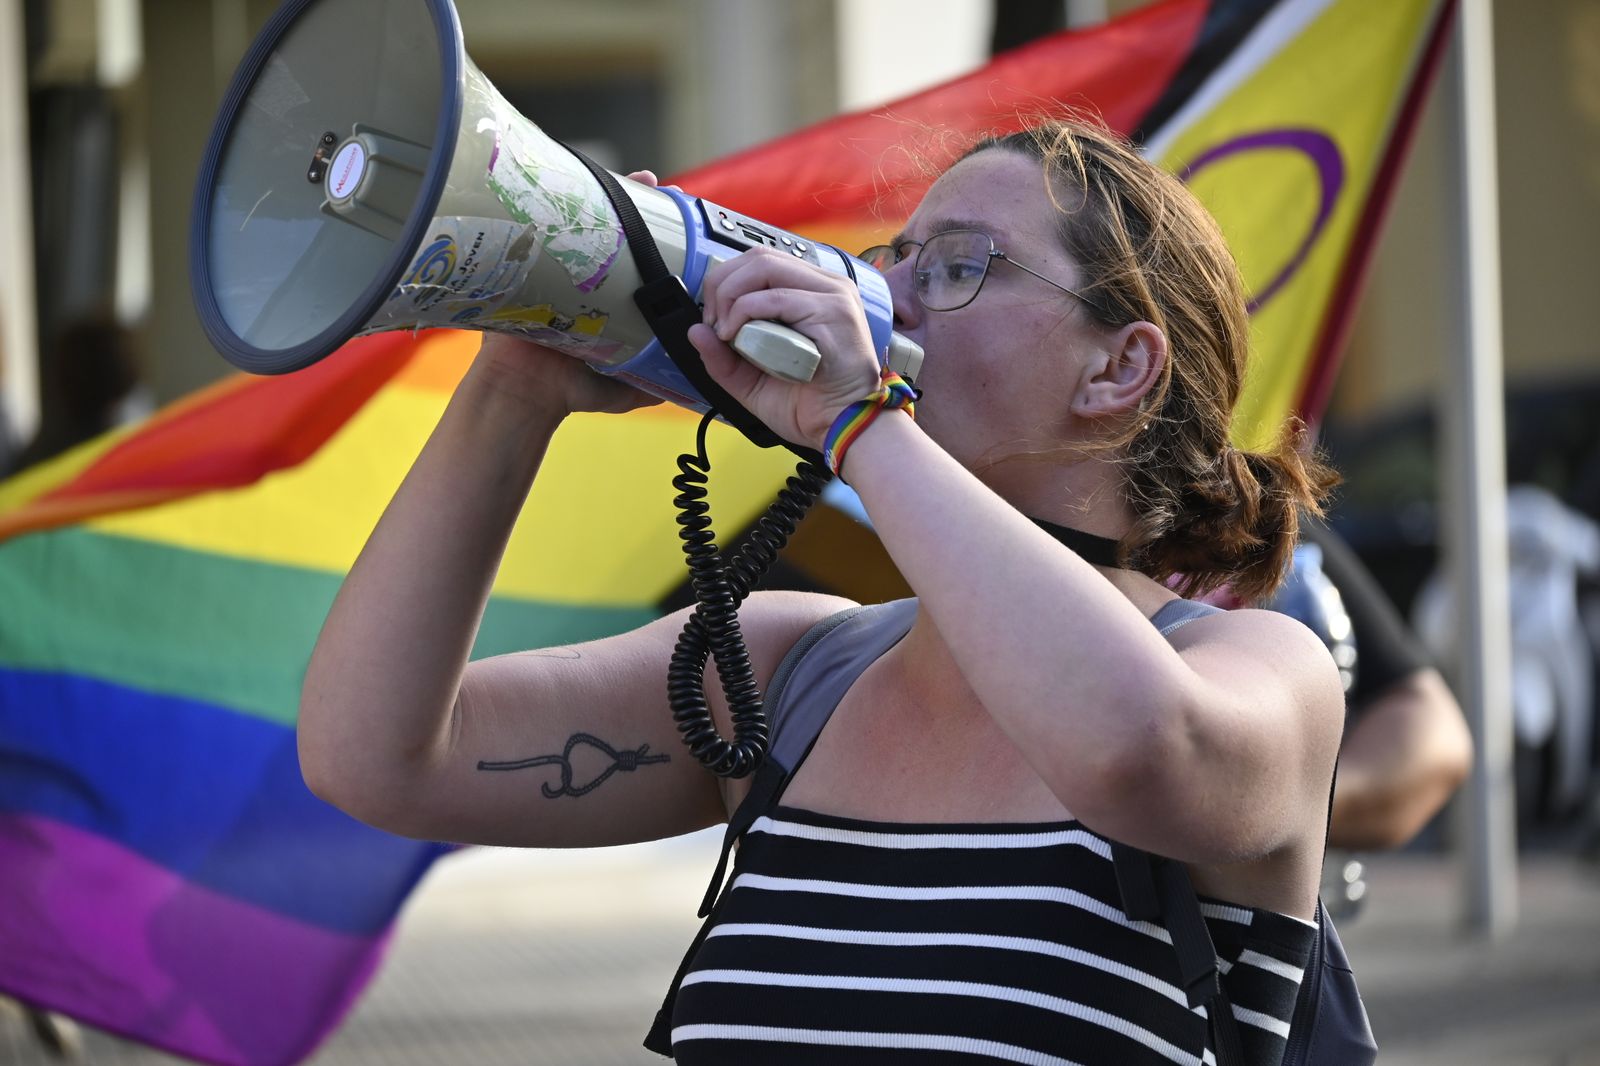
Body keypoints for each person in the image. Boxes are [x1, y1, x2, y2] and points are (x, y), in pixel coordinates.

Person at [299, 117, 1346, 1064]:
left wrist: (862, 423)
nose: (884, 295)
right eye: (895, 259)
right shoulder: (790, 670)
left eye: (959, 267)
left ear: (1118, 369)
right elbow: (377, 756)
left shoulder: (1255, 671)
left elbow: (1131, 747)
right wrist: (514, 389)